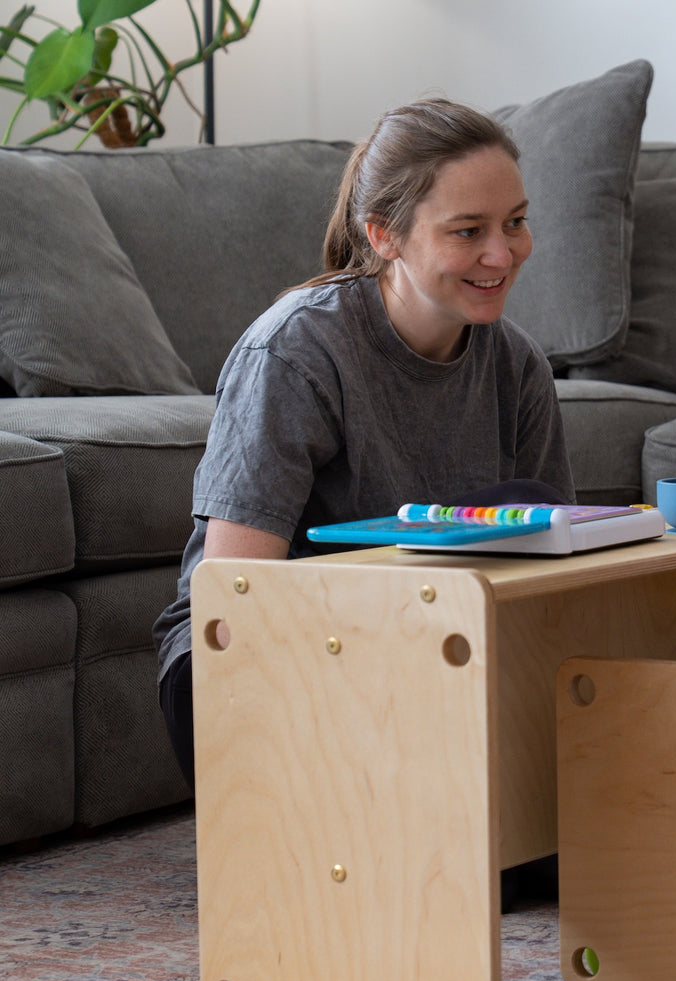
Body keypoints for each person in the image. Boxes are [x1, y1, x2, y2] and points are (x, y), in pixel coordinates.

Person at [153, 98, 574, 790]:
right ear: (384, 235)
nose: (503, 254)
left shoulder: (517, 365)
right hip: (253, 658)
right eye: (468, 231)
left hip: (426, 652)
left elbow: (547, 584)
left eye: (516, 222)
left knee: (534, 518)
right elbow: (234, 601)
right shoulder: (294, 351)